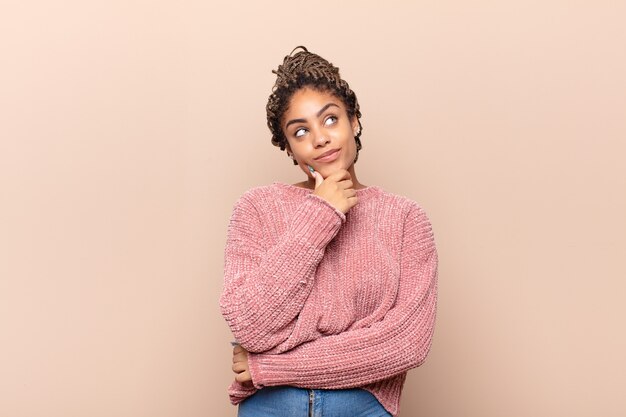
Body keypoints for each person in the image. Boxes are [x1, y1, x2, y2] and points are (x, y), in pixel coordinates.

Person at [220, 46, 438, 417]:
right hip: (271, 408)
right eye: (301, 131)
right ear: (290, 148)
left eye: (331, 119)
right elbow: (252, 325)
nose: (320, 138)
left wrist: (270, 366)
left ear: (354, 121)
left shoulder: (406, 219)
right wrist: (323, 213)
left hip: (361, 408)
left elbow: (405, 344)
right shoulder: (256, 208)